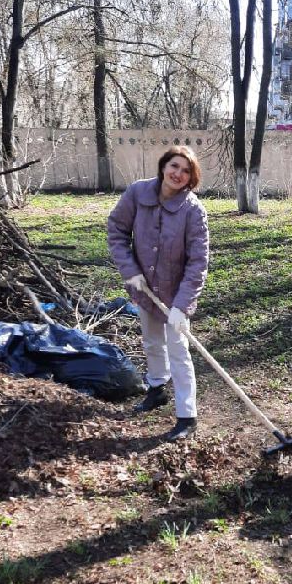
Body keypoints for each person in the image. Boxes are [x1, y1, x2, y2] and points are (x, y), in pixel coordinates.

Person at [107, 146, 209, 441]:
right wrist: (130, 271)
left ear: (191, 178)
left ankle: (187, 416)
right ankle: (156, 391)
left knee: (178, 350)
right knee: (152, 342)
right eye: (174, 166)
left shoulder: (193, 210)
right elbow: (116, 230)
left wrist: (182, 305)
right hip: (145, 289)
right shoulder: (138, 193)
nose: (178, 174)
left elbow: (198, 262)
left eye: (186, 171)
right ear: (164, 166)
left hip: (176, 295)